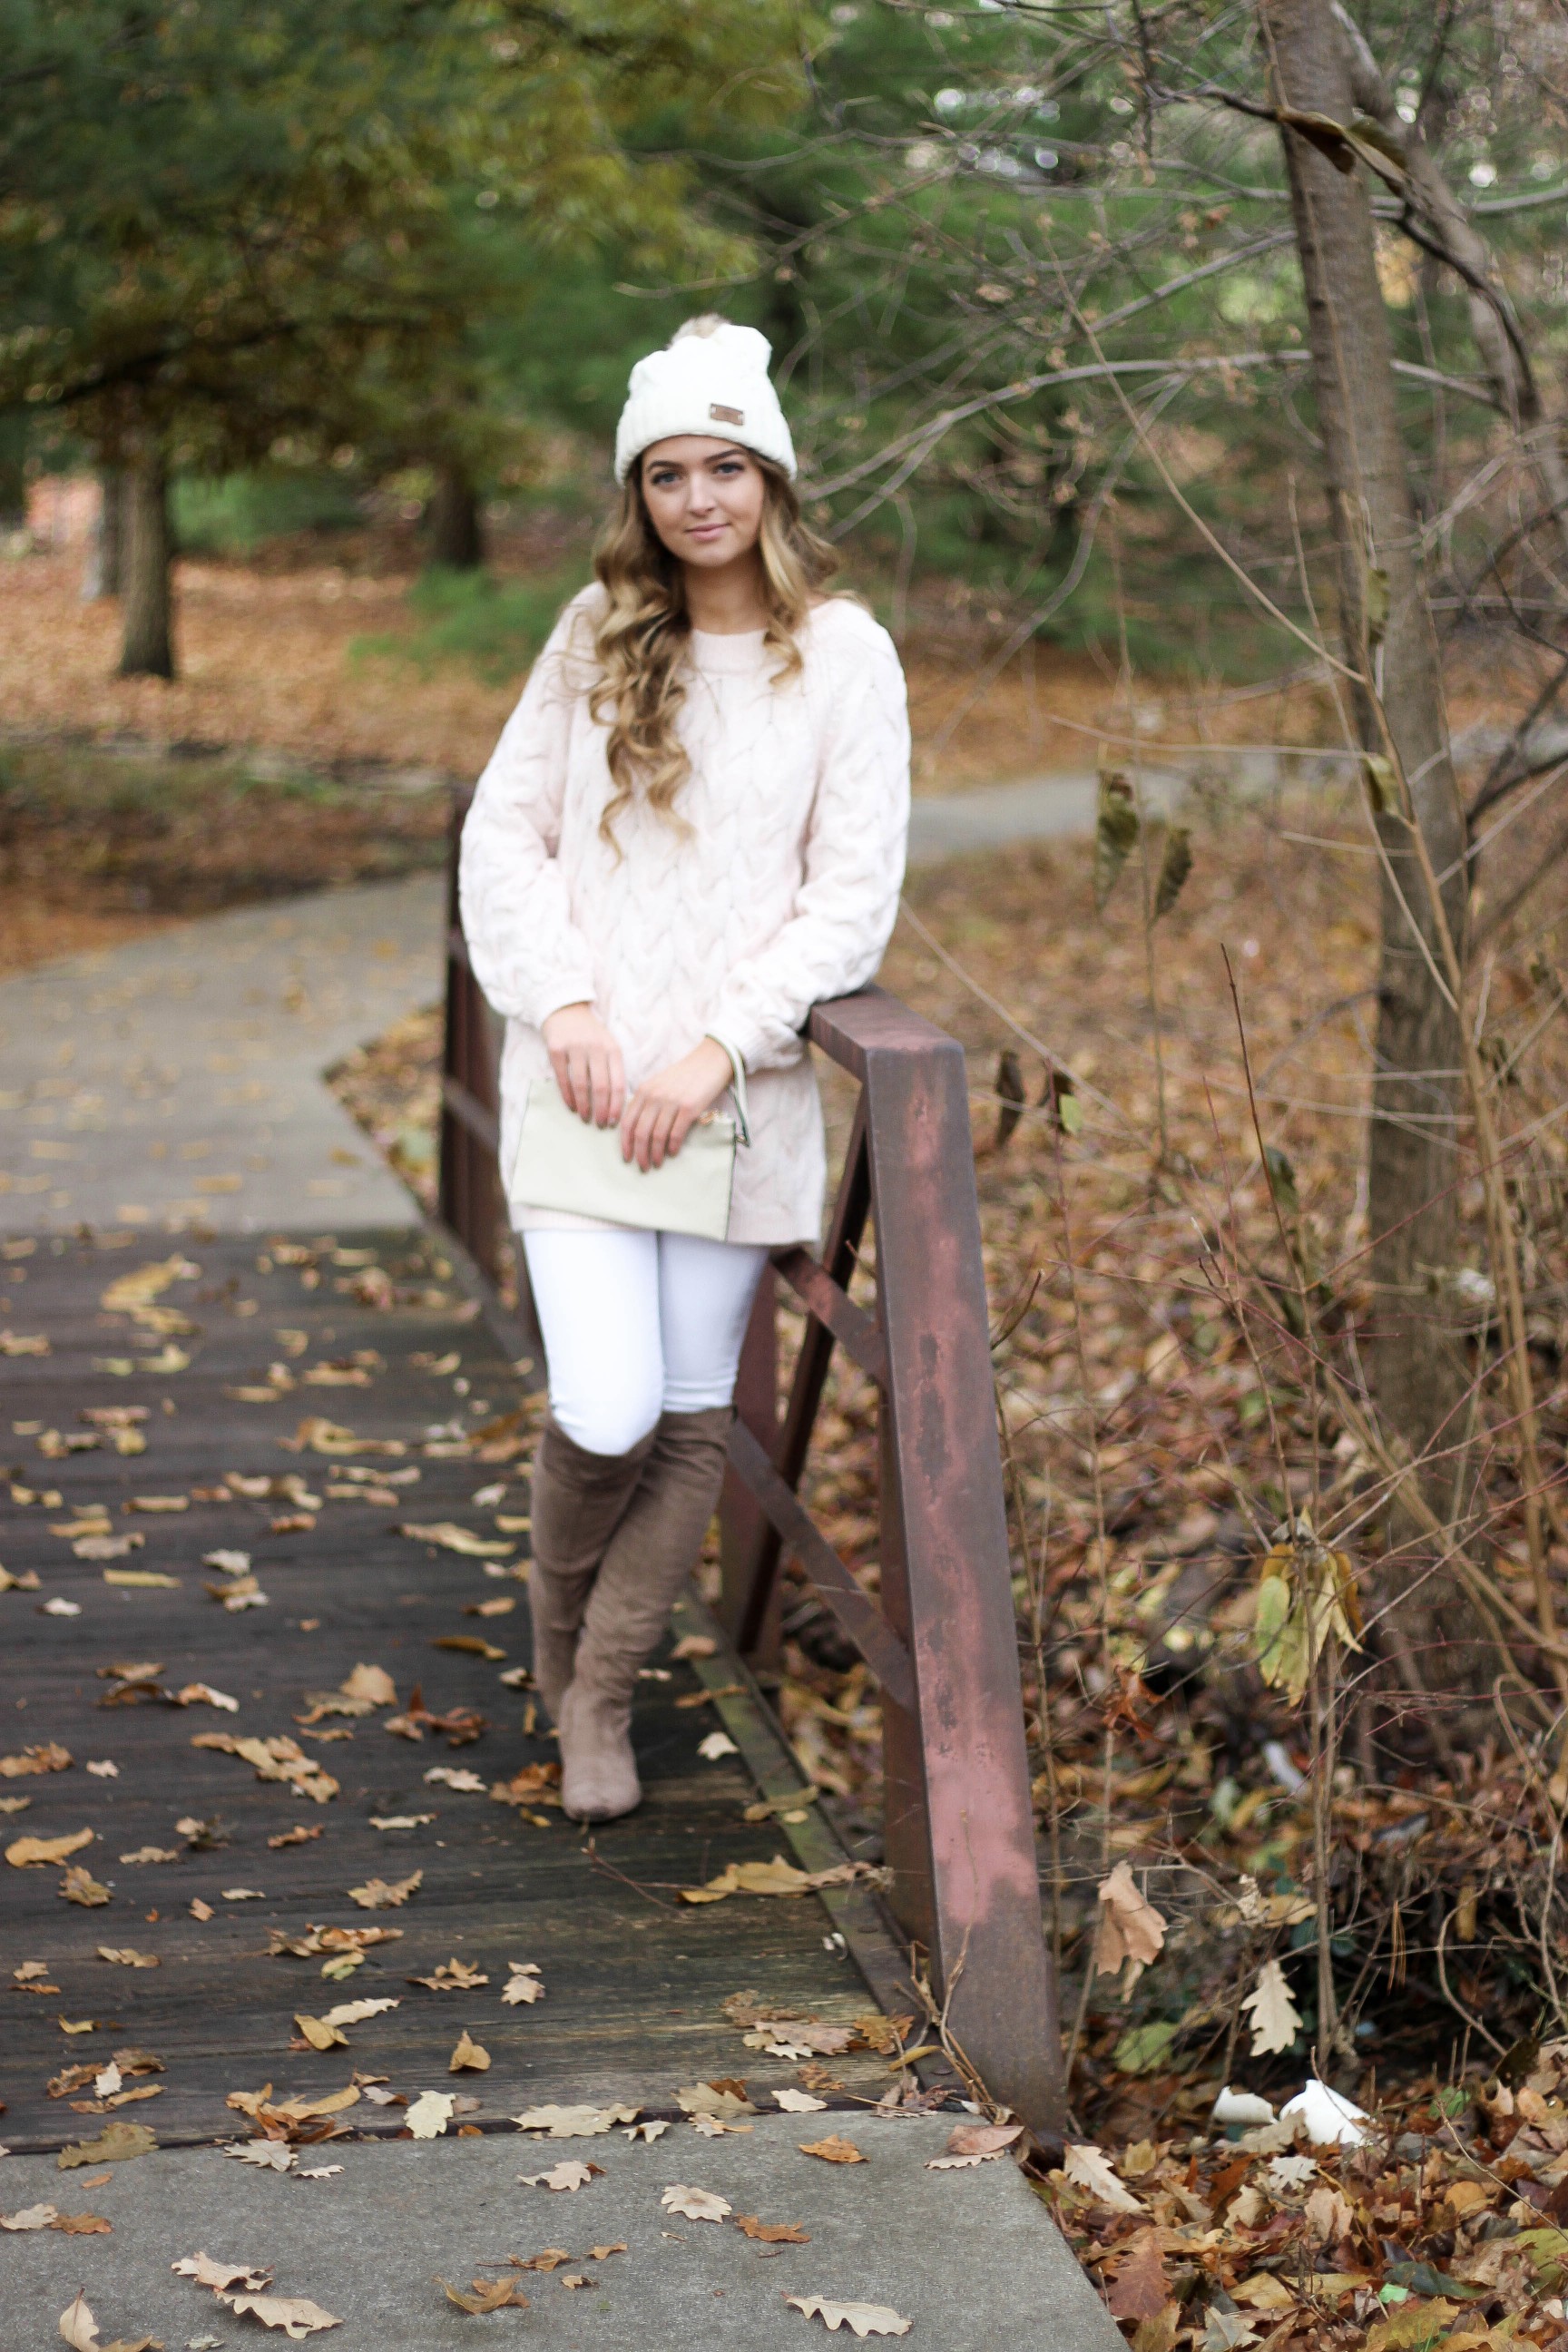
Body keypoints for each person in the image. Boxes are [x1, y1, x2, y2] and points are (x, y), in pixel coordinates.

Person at [459, 315, 910, 1821]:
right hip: (584, 1087)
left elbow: (850, 896)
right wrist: (567, 1006)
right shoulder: (595, 637)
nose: (698, 498)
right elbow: (500, 835)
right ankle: (553, 1634)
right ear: (637, 492)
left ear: (773, 480)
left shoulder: (844, 657)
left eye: (727, 466)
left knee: (691, 1415)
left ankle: (599, 1695)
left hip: (734, 1101)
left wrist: (723, 1047)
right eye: (667, 473)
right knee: (605, 1408)